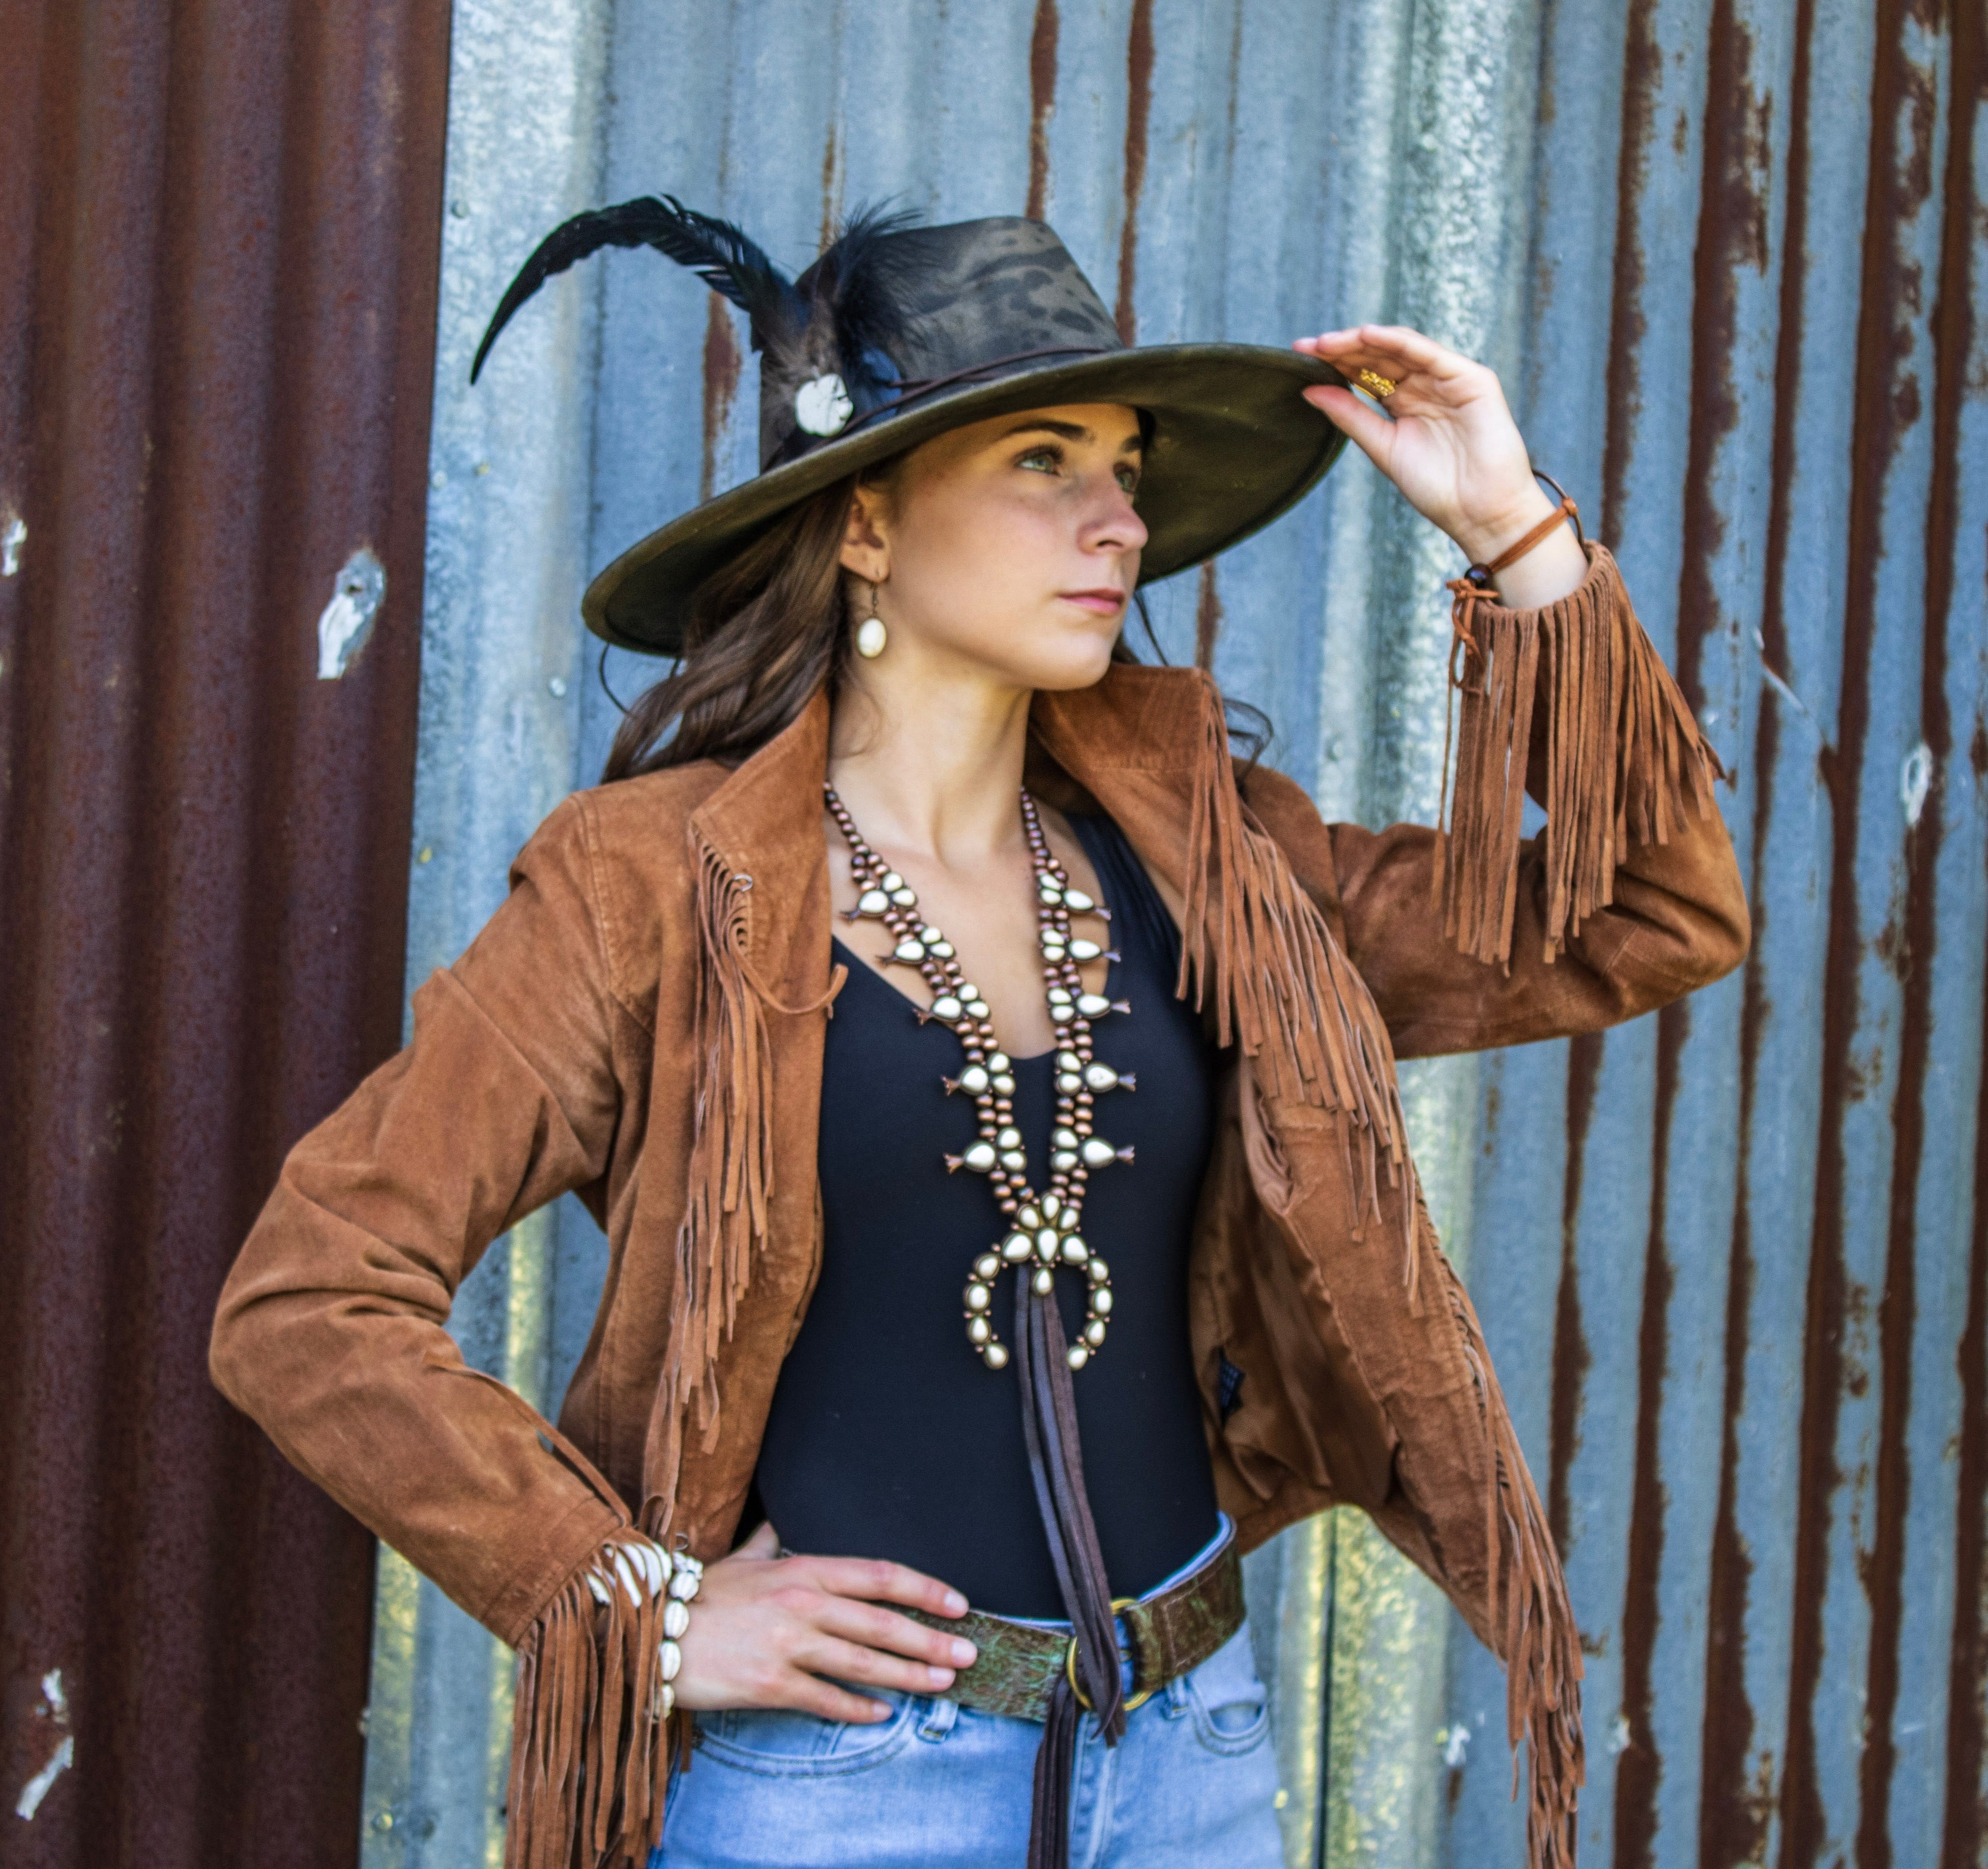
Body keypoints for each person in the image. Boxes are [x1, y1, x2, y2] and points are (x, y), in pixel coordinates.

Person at [212, 202, 1747, 1869]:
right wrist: (641, 1610)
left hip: (1192, 1764)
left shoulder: (1212, 857)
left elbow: (1649, 919)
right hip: (830, 1793)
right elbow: (312, 1295)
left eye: (1127, 469)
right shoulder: (645, 886)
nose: (1120, 525)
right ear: (863, 522)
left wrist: (1518, 536)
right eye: (1042, 463)